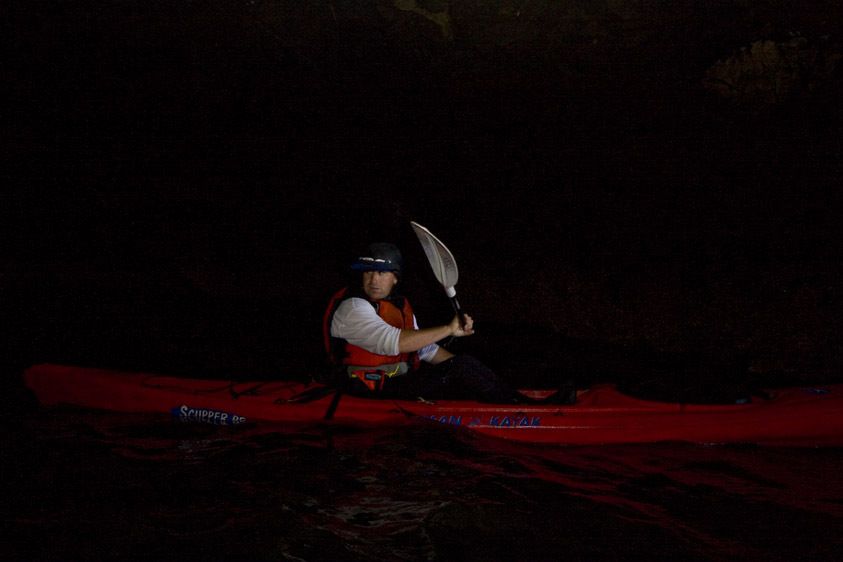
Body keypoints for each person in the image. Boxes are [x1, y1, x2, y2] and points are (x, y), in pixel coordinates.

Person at [323, 242, 575, 404]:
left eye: (381, 272)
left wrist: (463, 368)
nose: (373, 280)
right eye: (368, 272)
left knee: (464, 364)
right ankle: (526, 409)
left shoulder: (399, 305)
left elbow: (426, 349)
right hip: (366, 390)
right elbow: (392, 343)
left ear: (395, 279)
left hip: (395, 383)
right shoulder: (353, 307)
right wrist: (449, 330)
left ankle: (516, 400)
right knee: (461, 369)